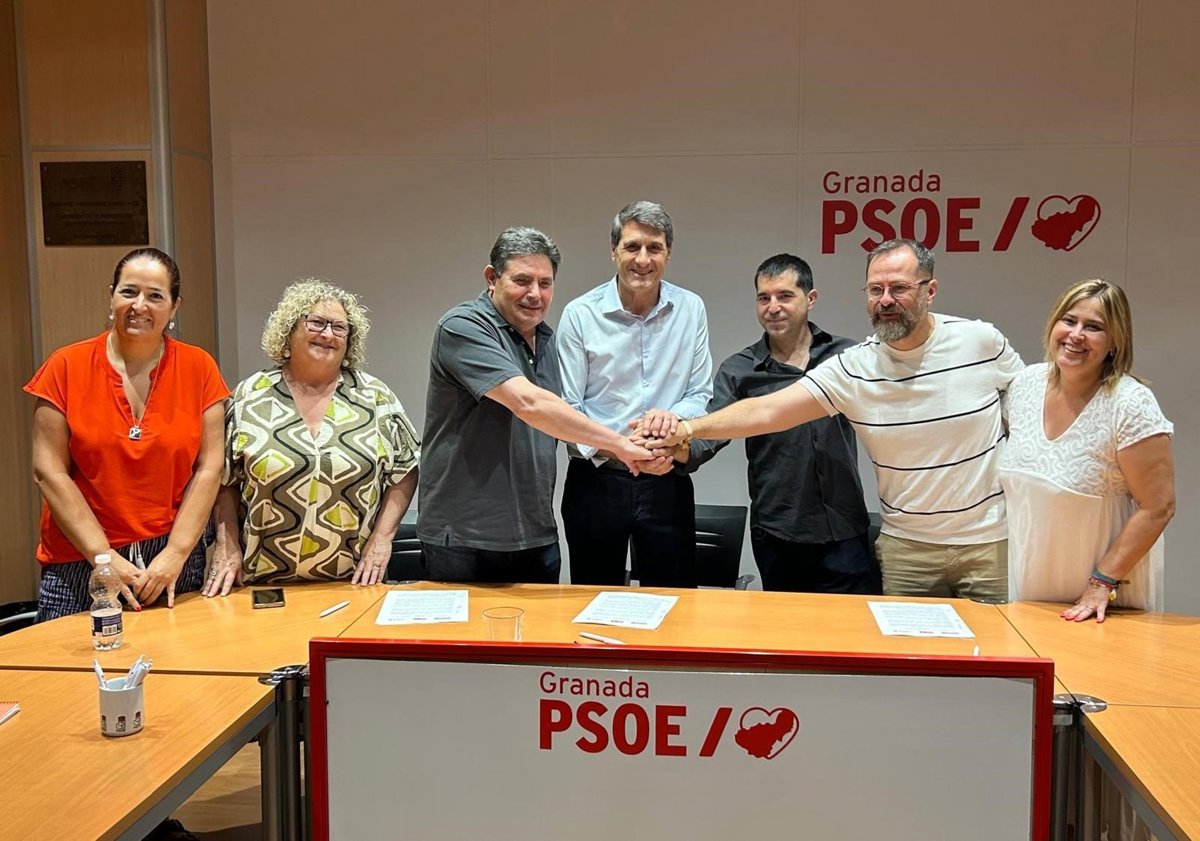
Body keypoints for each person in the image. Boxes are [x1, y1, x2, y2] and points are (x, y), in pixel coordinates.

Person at [642, 238, 1022, 600]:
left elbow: (1025, 409)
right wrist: (679, 435)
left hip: (878, 533)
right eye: (875, 289)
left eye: (898, 288)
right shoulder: (830, 367)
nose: (773, 307)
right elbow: (758, 415)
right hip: (800, 533)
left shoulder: (863, 357)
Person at [418, 226, 656, 584]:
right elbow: (528, 403)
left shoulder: (547, 340)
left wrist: (652, 442)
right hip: (464, 538)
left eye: (545, 283)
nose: (535, 294)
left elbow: (569, 415)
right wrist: (621, 444)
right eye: (522, 281)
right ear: (491, 278)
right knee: (463, 626)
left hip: (535, 534)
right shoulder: (463, 327)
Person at [26, 248, 228, 621]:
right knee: (72, 661)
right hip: (80, 559)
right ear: (112, 296)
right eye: (129, 292)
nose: (139, 306)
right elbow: (48, 471)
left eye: (155, 296)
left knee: (177, 658)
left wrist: (176, 553)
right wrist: (103, 557)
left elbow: (209, 468)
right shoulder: (64, 366)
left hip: (171, 561)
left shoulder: (199, 367)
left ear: (174, 307)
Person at [206, 279, 420, 593]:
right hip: (262, 581)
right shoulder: (250, 396)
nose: (328, 334)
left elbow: (407, 468)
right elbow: (223, 479)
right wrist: (227, 545)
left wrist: (382, 538)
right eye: (317, 323)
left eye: (339, 328)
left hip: (356, 579)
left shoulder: (375, 397)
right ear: (289, 330)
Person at [684, 254, 875, 593]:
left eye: (785, 296)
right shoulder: (739, 370)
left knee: (850, 626)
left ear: (810, 298)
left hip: (845, 529)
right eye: (764, 298)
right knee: (783, 625)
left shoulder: (846, 357)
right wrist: (673, 449)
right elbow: (709, 435)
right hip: (778, 533)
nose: (773, 307)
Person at [557, 201, 713, 588]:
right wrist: (622, 448)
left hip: (666, 479)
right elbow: (568, 410)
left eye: (654, 247)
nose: (643, 259)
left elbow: (699, 393)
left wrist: (671, 421)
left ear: (668, 253)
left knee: (674, 601)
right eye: (632, 247)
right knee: (592, 601)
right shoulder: (580, 314)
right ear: (614, 251)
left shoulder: (691, 308)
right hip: (596, 480)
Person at [999, 279, 1174, 621]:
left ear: (1115, 342)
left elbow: (1159, 507)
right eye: (1069, 320)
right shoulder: (1025, 384)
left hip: (1099, 596)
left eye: (1093, 327)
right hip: (1029, 584)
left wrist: (1102, 582)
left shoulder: (1130, 404)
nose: (1076, 334)